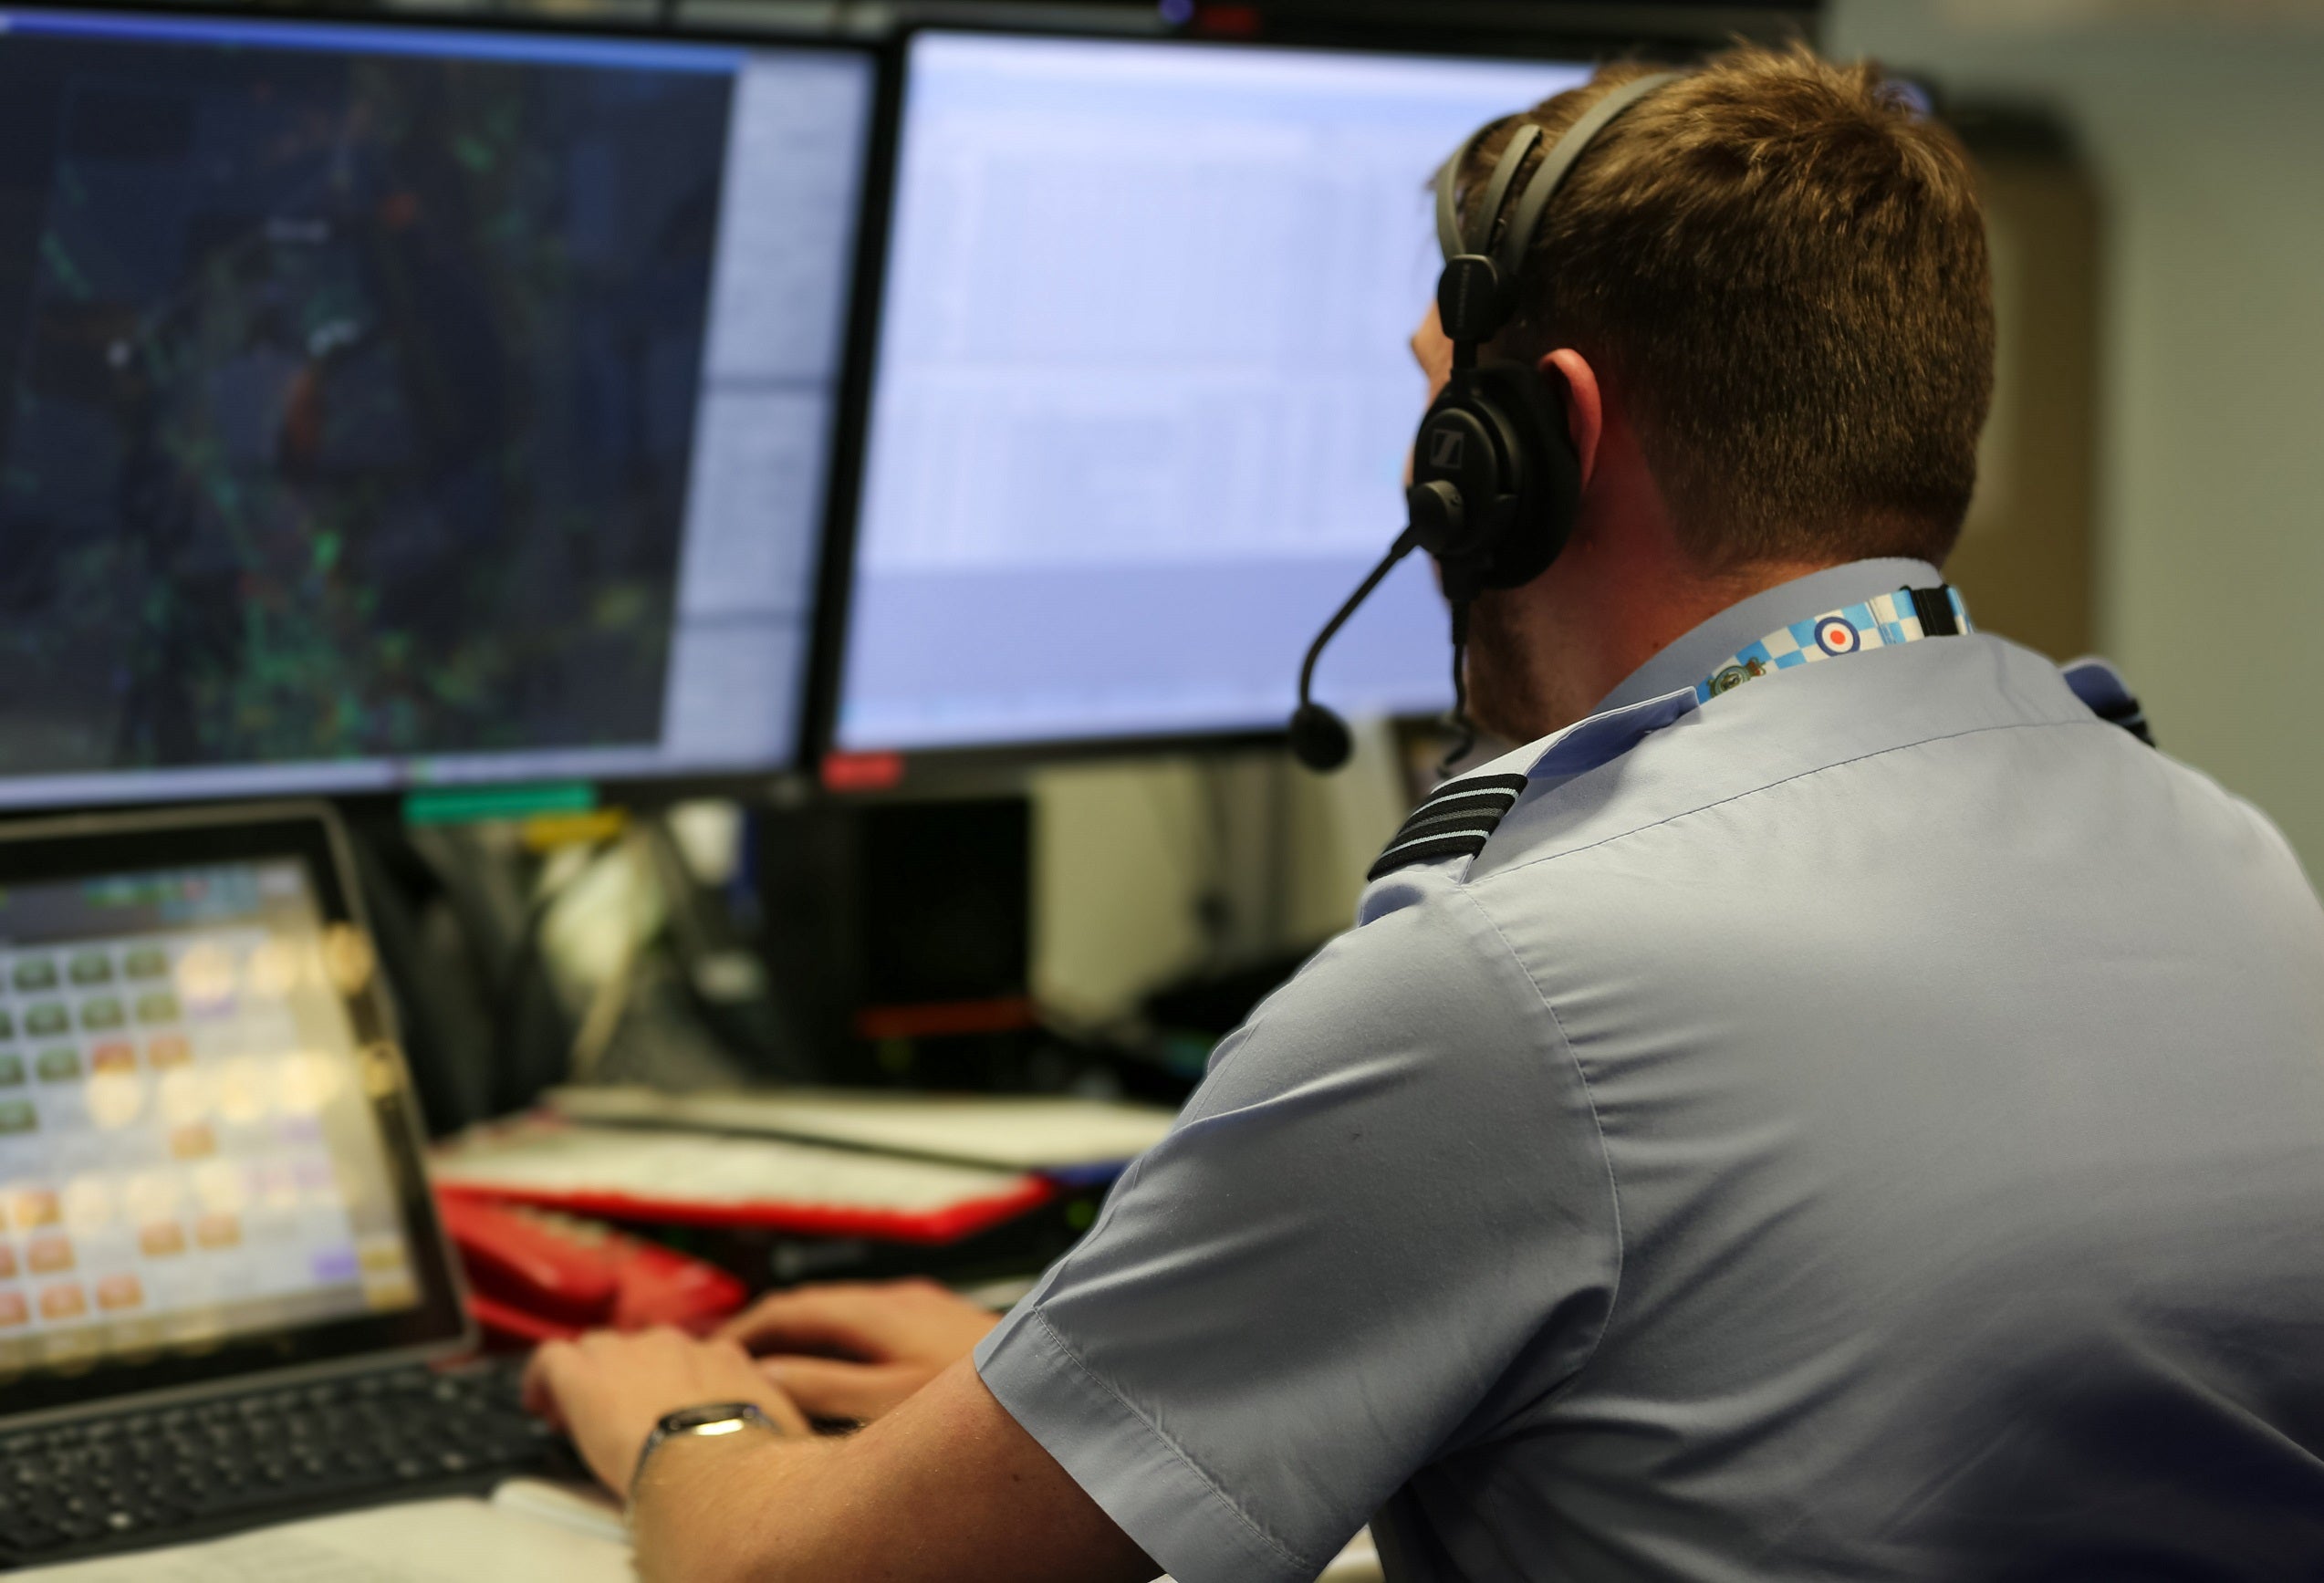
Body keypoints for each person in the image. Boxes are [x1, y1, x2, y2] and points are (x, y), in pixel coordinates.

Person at [523, 42, 2324, 1582]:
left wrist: (686, 1416)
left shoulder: (1514, 984)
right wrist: (1083, 1384)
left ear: (1536, 440)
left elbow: (794, 1576)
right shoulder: (2232, 862)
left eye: (1430, 402)